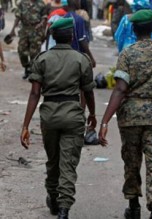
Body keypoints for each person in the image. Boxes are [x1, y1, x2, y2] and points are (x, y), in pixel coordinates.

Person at [98, 9, 152, 219]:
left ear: (133, 29)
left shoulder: (128, 54)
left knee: (132, 161)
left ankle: (133, 207)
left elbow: (121, 89)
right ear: (151, 29)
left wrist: (104, 121)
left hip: (131, 117)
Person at [20, 17, 96, 219]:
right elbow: (88, 92)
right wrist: (93, 115)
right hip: (73, 116)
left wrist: (25, 125)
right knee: (68, 164)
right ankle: (64, 209)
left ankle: (53, 197)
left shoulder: (42, 59)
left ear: (53, 36)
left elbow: (35, 94)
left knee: (53, 161)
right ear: (71, 36)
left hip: (50, 116)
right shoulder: (81, 59)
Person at [9, 0, 47, 79]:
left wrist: (42, 27)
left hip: (37, 30)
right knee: (21, 50)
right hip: (24, 30)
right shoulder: (22, 3)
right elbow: (18, 17)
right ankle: (27, 66)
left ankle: (32, 71)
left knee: (35, 53)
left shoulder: (41, 4)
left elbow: (44, 18)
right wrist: (12, 30)